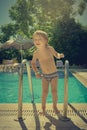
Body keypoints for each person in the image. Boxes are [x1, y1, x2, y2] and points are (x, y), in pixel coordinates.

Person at [31, 30, 64, 115]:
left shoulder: (50, 49)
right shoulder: (36, 53)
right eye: (35, 39)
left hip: (54, 74)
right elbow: (33, 63)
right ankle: (43, 108)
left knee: (54, 91)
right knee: (44, 92)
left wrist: (60, 55)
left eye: (39, 39)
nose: (37, 41)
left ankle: (54, 106)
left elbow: (56, 55)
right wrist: (36, 72)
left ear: (46, 40)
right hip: (44, 75)